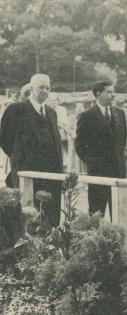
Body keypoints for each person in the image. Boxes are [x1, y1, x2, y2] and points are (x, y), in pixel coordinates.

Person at [0, 74, 63, 226]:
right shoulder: (16, 110)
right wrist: (20, 157)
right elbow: (5, 138)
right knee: (29, 217)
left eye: (48, 88)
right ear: (31, 88)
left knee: (50, 217)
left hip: (51, 174)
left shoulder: (51, 113)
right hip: (27, 173)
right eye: (41, 87)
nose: (45, 91)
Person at [75, 81, 127, 219]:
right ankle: (96, 241)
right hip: (98, 173)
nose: (113, 95)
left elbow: (122, 140)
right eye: (109, 92)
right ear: (98, 94)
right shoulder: (87, 116)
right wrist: (93, 163)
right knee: (97, 213)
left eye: (113, 91)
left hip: (118, 172)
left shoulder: (119, 114)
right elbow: (80, 145)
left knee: (118, 212)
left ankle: (119, 240)